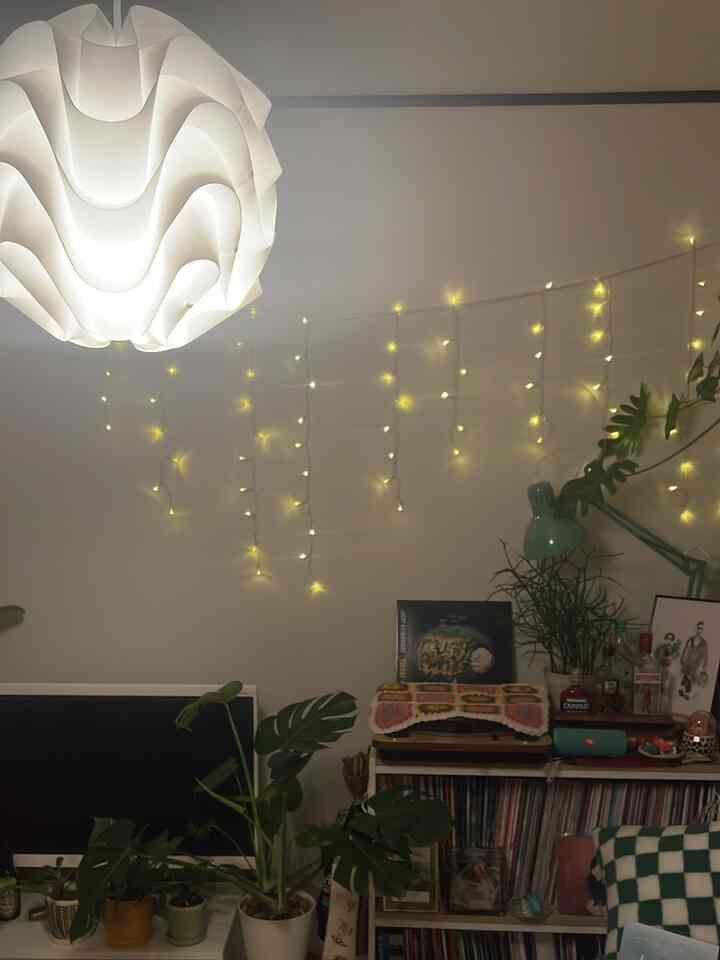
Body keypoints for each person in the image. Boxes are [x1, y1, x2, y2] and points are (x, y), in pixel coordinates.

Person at [679, 622, 708, 700]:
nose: (699, 630)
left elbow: (705, 656)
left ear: (703, 630)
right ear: (695, 628)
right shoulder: (690, 639)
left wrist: (704, 666)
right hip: (687, 662)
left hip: (695, 664)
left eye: (701, 628)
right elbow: (685, 649)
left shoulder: (704, 643)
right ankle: (683, 691)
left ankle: (688, 693)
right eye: (698, 628)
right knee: (685, 676)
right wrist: (682, 659)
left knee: (690, 678)